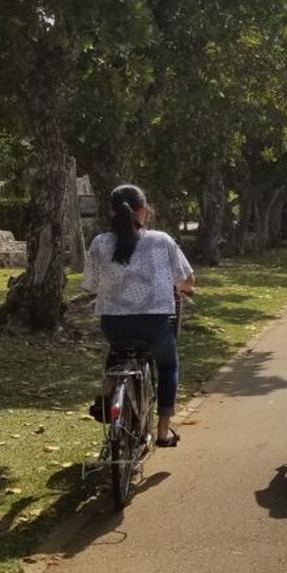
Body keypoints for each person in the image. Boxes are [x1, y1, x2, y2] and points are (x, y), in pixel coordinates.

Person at [82, 183, 196, 448]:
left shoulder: (100, 243)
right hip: (155, 324)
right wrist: (179, 288)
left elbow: (89, 285)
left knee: (116, 352)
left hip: (114, 325)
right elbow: (188, 280)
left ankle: (108, 394)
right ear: (143, 210)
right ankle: (163, 431)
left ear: (112, 212)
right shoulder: (161, 240)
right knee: (168, 366)